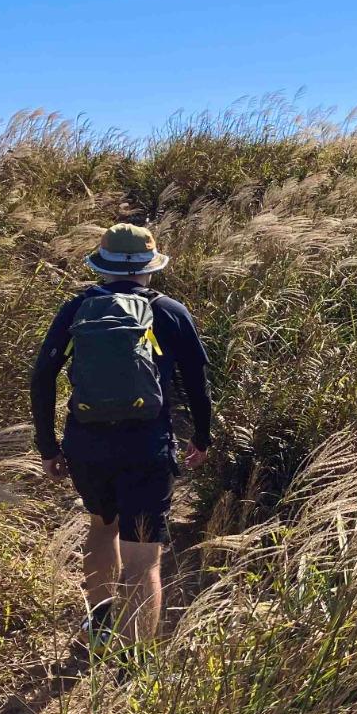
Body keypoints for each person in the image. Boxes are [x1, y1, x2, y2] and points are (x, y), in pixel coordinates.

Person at [30, 223, 212, 651]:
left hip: (87, 444)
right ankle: (133, 663)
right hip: (147, 446)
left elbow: (42, 377)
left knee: (102, 525)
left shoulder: (76, 308)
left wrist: (48, 447)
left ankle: (99, 626)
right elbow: (198, 383)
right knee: (144, 560)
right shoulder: (170, 310)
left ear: (101, 264)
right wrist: (202, 438)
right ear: (150, 266)